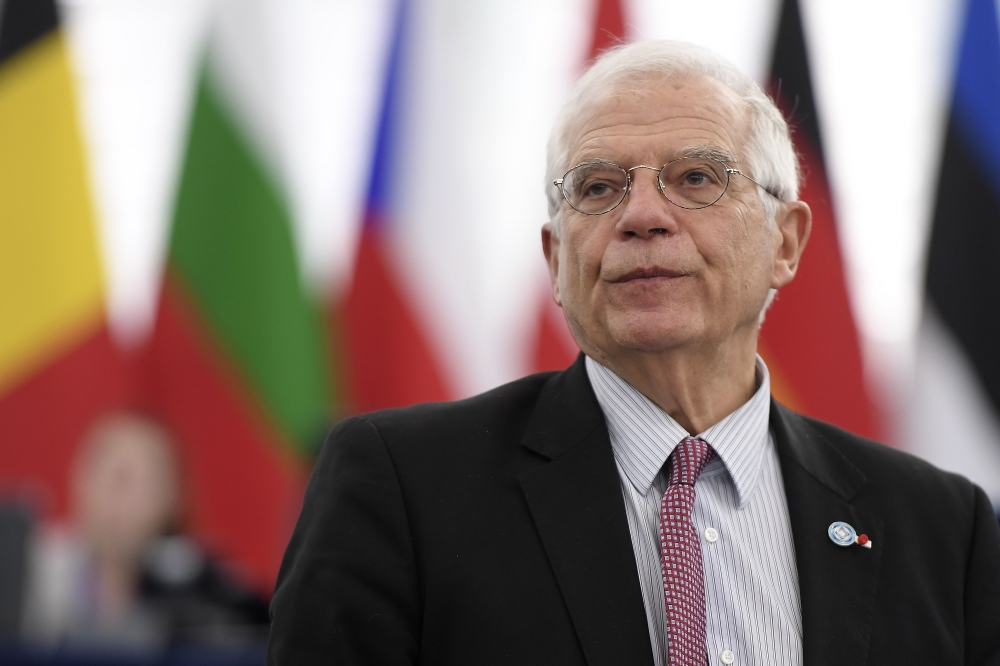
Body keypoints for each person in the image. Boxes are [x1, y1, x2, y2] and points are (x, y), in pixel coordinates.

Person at [267, 41, 1000, 665]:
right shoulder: (403, 488)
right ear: (557, 259)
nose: (642, 216)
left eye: (696, 178)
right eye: (598, 187)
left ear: (786, 241)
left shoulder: (941, 528)